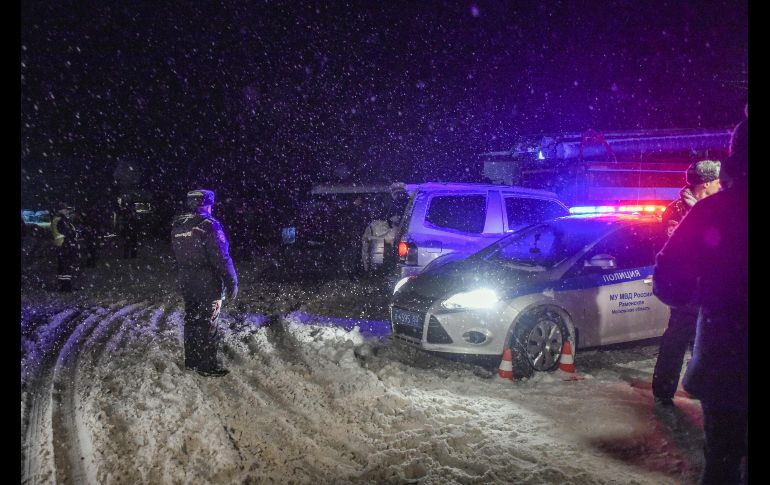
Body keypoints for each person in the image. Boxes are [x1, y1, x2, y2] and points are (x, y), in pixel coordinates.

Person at [653, 116, 748, 484]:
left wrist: (702, 295)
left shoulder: (714, 212)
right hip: (723, 357)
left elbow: (669, 278)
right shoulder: (692, 209)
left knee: (722, 462)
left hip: (726, 360)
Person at [652, 159, 721, 406]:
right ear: (706, 184)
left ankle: (697, 385)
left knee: (703, 339)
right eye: (716, 182)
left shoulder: (710, 207)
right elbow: (682, 249)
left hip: (709, 286)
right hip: (688, 288)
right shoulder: (678, 211)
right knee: (678, 337)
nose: (720, 185)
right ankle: (664, 389)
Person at [171, 189, 238, 377]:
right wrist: (232, 281)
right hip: (208, 284)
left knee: (191, 321)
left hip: (187, 282)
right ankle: (207, 365)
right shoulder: (210, 225)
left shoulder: (178, 225)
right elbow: (222, 258)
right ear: (208, 204)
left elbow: (175, 257)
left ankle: (191, 360)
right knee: (208, 324)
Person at [50, 203, 80, 292]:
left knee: (62, 267)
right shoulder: (61, 220)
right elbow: (68, 232)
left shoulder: (56, 219)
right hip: (65, 245)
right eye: (65, 209)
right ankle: (66, 288)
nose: (67, 211)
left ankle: (62, 286)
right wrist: (75, 233)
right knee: (66, 267)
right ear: (60, 210)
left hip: (61, 245)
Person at [119, 194, 139, 259]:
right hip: (128, 226)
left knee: (132, 242)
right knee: (128, 242)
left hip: (131, 226)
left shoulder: (129, 208)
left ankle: (131, 255)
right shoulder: (125, 209)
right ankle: (128, 255)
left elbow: (134, 217)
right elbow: (123, 217)